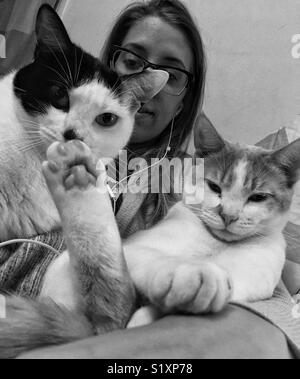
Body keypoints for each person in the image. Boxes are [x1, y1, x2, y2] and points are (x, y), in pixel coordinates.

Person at [14, 0, 300, 358]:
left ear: (183, 100)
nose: (150, 81)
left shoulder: (189, 182)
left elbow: (267, 303)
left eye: (173, 75)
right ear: (107, 67)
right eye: (132, 62)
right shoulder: (34, 136)